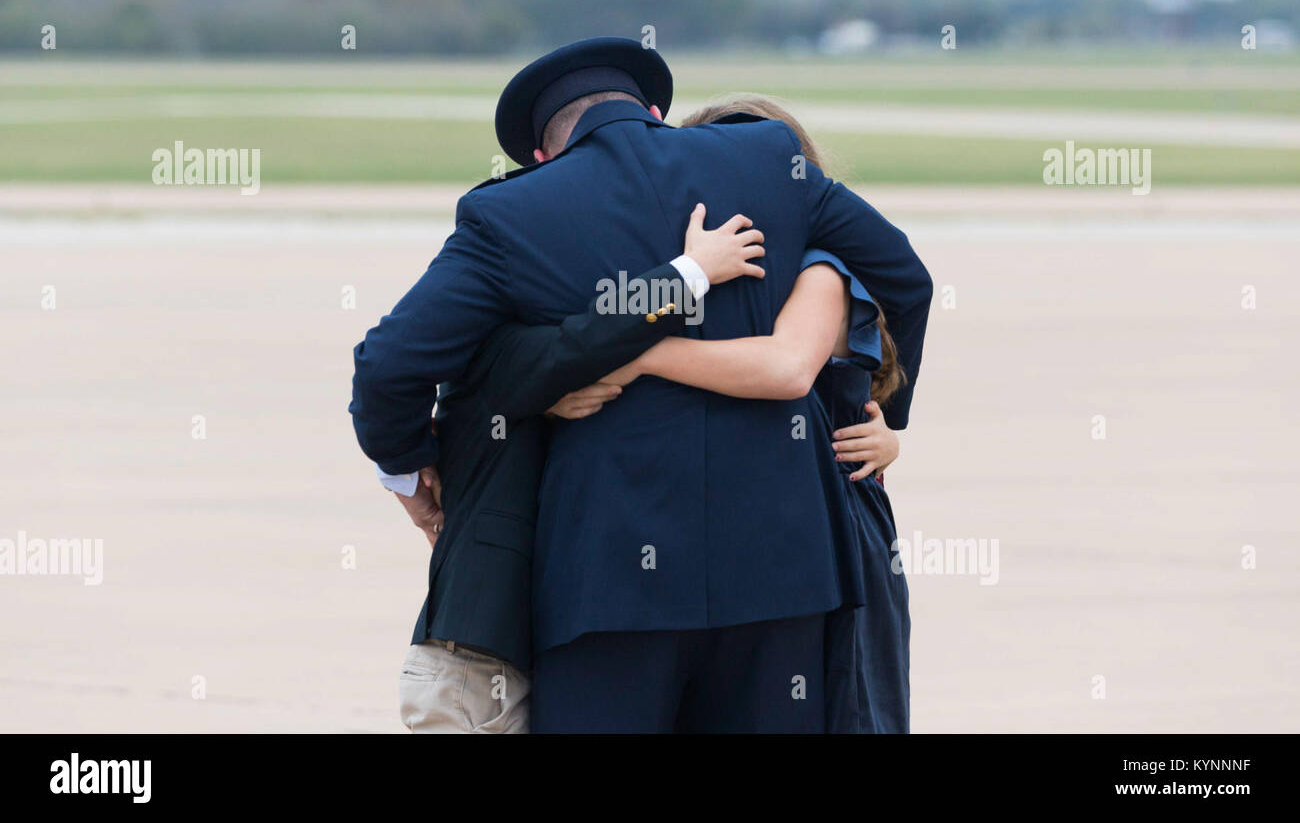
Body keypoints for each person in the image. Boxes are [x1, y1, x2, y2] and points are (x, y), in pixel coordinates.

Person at [350, 36, 932, 732]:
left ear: (540, 154)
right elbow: (904, 276)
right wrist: (880, 412)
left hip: (608, 586)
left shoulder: (509, 214)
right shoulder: (768, 159)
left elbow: (390, 365)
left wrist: (413, 473)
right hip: (783, 572)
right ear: (656, 110)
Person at [397, 210, 765, 732]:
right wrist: (692, 270)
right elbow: (589, 338)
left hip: (495, 671)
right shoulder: (497, 349)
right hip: (471, 678)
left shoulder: (524, 373)